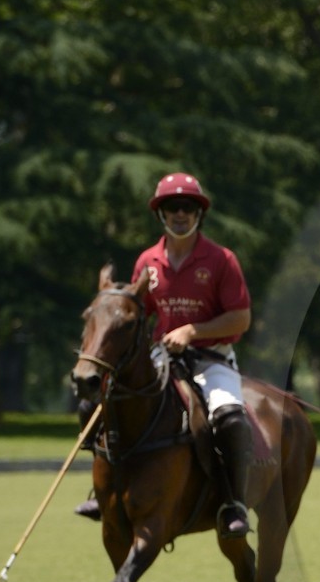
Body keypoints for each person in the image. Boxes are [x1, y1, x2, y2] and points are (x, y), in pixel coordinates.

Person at [74, 172, 256, 538]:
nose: (180, 214)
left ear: (198, 214)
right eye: (172, 207)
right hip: (161, 359)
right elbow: (136, 315)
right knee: (101, 408)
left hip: (211, 360)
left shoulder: (221, 259)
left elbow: (241, 317)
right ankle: (103, 490)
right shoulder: (148, 262)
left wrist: (193, 331)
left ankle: (233, 503)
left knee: (231, 418)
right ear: (161, 214)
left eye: (187, 207)